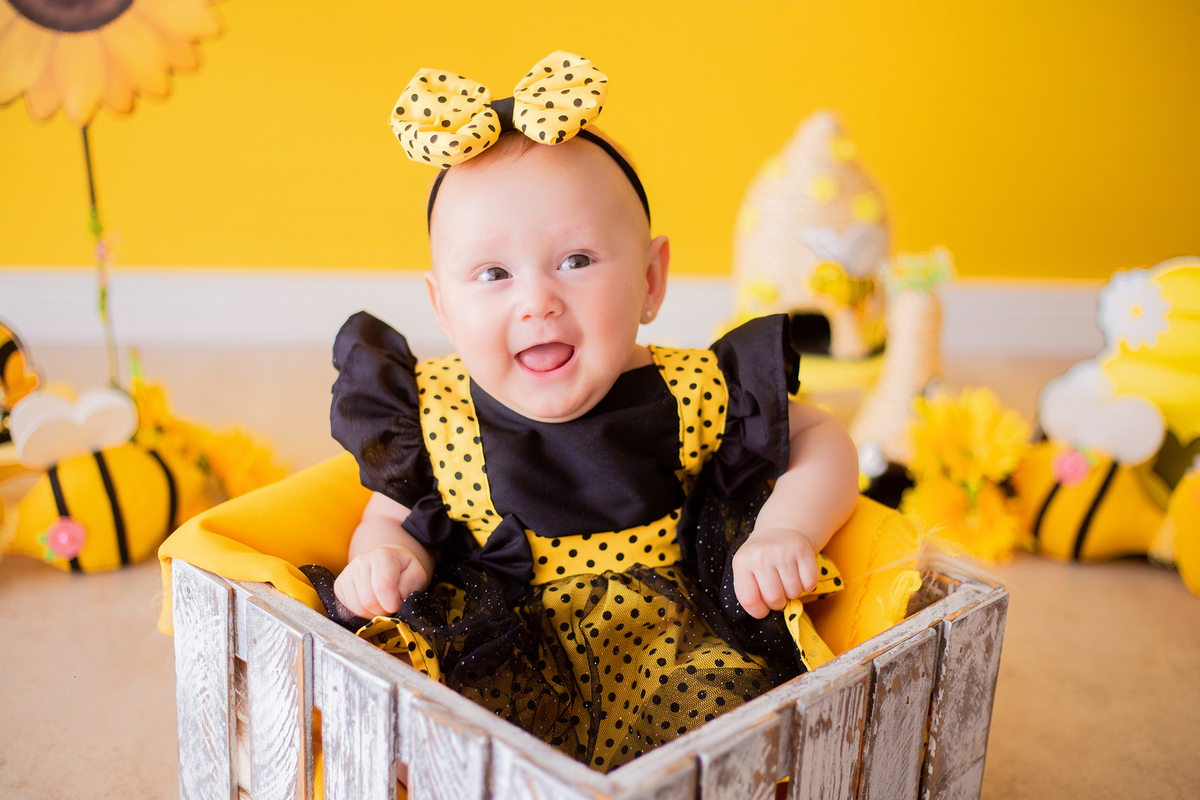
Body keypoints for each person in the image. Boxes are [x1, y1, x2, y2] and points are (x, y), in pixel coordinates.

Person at [326, 51, 859, 773]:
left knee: (733, 736)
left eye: (576, 260)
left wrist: (787, 527)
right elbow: (394, 515)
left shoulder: (692, 388)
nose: (537, 299)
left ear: (650, 278)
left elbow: (822, 435)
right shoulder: (430, 412)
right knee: (442, 733)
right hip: (501, 644)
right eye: (492, 274)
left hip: (671, 648)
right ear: (442, 307)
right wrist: (387, 559)